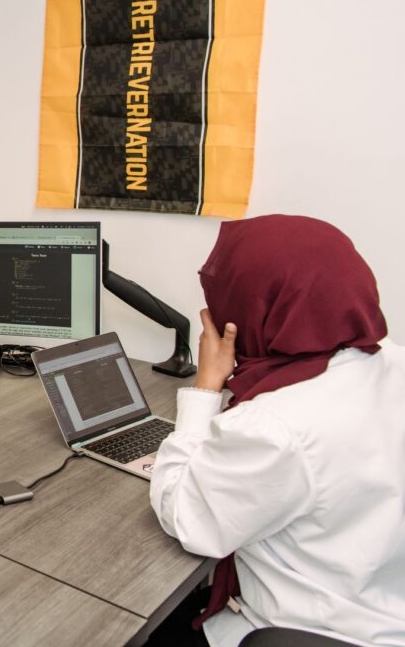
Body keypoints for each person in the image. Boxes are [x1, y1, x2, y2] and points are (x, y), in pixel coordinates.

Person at [149, 215, 405, 646]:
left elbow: (187, 518)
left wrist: (205, 389)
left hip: (312, 627)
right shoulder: (394, 363)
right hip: (384, 601)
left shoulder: (275, 425)